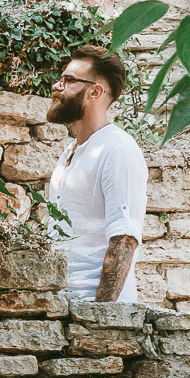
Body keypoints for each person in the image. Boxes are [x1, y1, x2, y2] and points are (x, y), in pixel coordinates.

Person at [46, 44, 149, 303]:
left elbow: (124, 238)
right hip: (62, 303)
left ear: (95, 91)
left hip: (94, 307)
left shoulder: (118, 149)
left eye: (69, 80)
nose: (57, 86)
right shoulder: (69, 152)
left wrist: (100, 316)